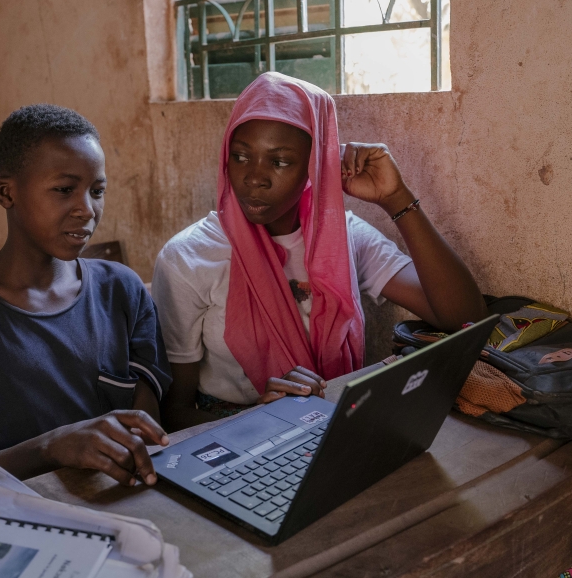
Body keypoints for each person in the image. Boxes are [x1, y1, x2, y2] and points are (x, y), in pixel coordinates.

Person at [153, 73, 487, 430]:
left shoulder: (342, 239)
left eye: (279, 162)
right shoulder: (188, 258)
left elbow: (465, 319)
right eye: (240, 156)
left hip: (334, 423)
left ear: (315, 164)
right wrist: (259, 420)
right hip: (236, 435)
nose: (254, 178)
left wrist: (396, 199)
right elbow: (174, 412)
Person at [0, 104, 172, 486]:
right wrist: (51, 448)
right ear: (6, 193)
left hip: (119, 504)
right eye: (64, 190)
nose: (86, 209)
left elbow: (147, 438)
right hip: (14, 519)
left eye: (97, 191)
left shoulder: (122, 293)